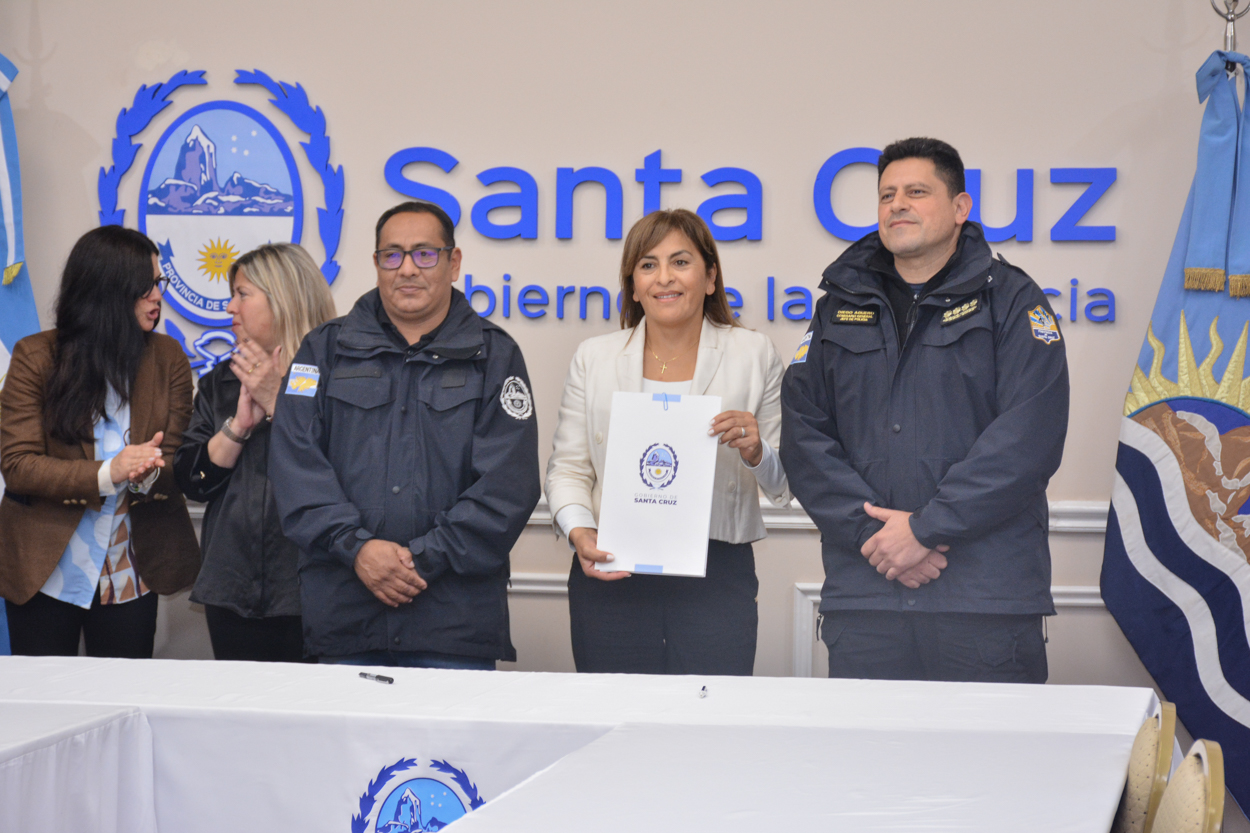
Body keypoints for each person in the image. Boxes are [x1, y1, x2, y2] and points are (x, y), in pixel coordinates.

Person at [780, 137, 1069, 683]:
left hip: (983, 603)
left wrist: (924, 529)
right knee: (869, 745)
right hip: (868, 600)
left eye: (916, 192)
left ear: (961, 207)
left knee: (987, 746)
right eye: (887, 195)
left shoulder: (1012, 300)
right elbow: (803, 435)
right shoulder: (838, 306)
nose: (897, 205)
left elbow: (1028, 438)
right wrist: (872, 536)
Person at [268, 201, 540, 668]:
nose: (407, 269)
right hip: (346, 619)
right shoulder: (323, 350)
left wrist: (422, 559)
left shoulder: (494, 355)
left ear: (454, 262)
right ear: (376, 263)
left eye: (425, 254)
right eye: (392, 255)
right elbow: (294, 463)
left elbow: (507, 485)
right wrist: (356, 549)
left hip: (453, 624)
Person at [546, 208, 790, 675]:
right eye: (648, 265)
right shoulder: (594, 358)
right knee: (615, 713)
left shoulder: (753, 353)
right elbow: (568, 469)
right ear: (633, 285)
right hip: (612, 569)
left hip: (717, 575)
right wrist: (580, 533)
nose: (664, 278)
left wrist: (757, 451)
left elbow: (784, 483)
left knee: (709, 715)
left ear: (710, 277)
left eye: (680, 262)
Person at [0, 225, 199, 657]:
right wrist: (110, 472)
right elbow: (18, 465)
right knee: (44, 694)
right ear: (109, 288)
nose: (158, 297)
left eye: (159, 283)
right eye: (147, 286)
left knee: (124, 693)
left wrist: (147, 474)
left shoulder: (168, 359)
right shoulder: (35, 357)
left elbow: (174, 459)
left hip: (130, 570)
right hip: (45, 570)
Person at [173, 243, 335, 662]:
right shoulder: (221, 382)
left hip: (313, 589)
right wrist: (238, 427)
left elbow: (347, 471)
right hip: (231, 591)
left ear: (283, 298)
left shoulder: (339, 378)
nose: (230, 307)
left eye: (242, 294)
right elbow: (193, 482)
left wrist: (279, 402)